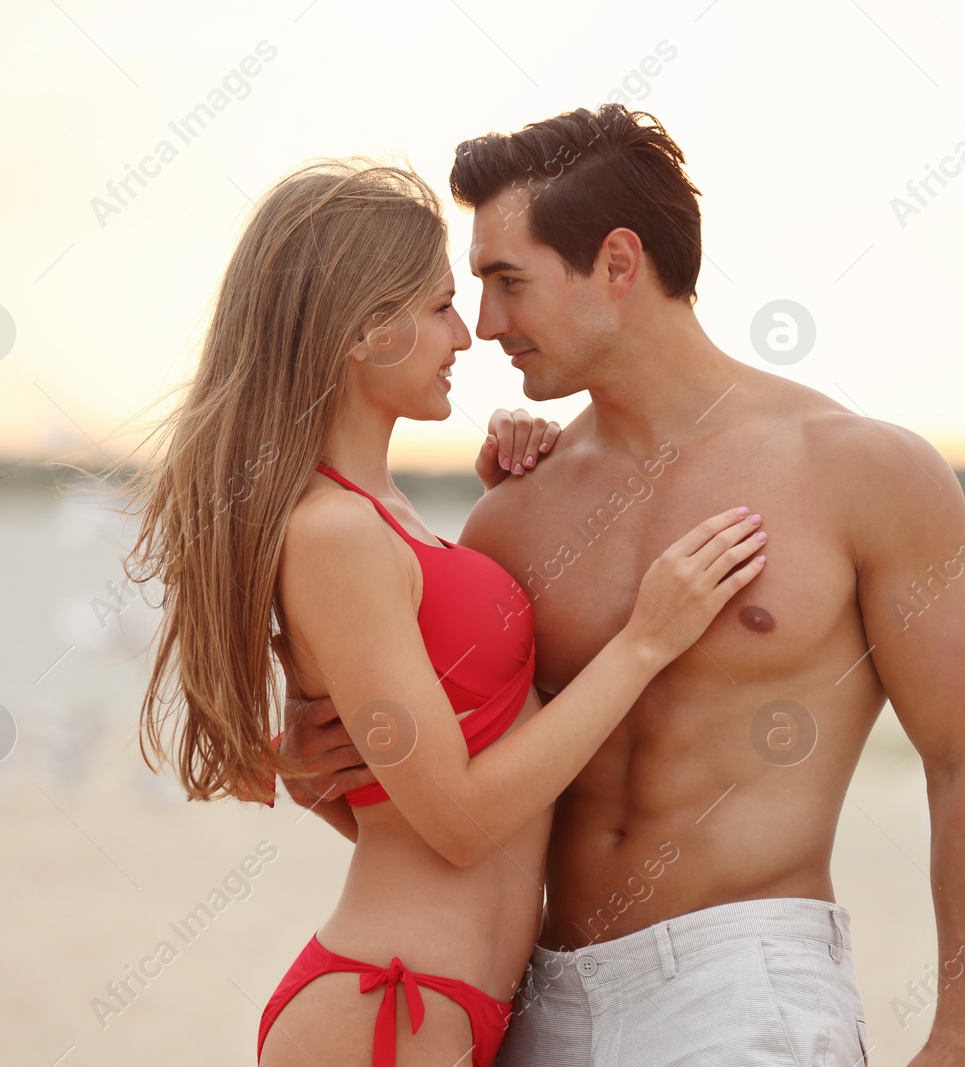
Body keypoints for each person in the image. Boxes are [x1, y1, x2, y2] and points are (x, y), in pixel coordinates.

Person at [278, 106, 965, 1067]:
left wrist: (959, 1042)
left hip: (743, 981)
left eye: (509, 283)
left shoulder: (861, 472)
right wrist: (321, 777)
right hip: (536, 995)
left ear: (619, 264)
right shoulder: (512, 513)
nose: (486, 325)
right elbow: (461, 804)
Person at [119, 158, 768, 1067]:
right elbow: (459, 822)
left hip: (447, 1005)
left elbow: (408, 784)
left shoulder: (384, 515)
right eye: (436, 308)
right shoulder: (335, 530)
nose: (466, 334)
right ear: (361, 331)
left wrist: (528, 477)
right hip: (388, 1005)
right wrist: (645, 640)